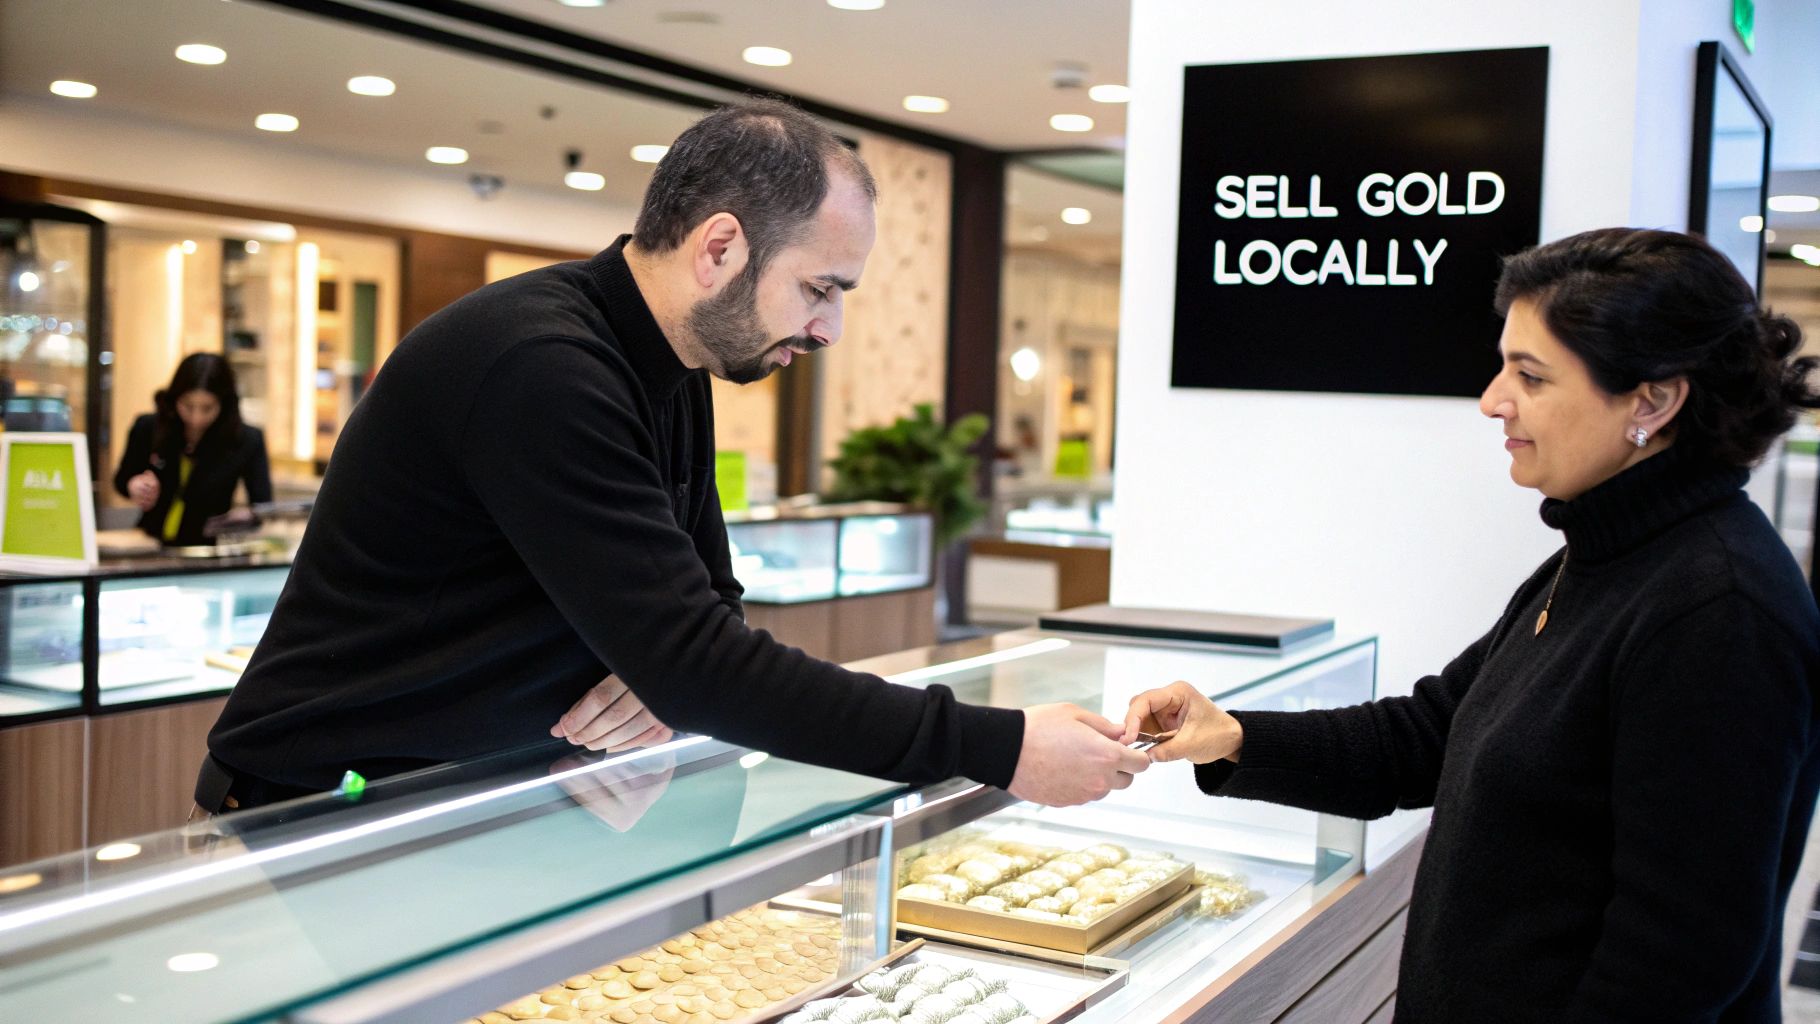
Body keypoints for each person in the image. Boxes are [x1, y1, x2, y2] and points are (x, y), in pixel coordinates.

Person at [196, 99, 1145, 814]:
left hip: (475, 793)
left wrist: (663, 680)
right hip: (326, 798)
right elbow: (700, 662)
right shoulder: (541, 366)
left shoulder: (673, 365)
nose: (831, 328)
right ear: (720, 248)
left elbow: (707, 612)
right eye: (820, 288)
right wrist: (998, 746)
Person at [1125, 228, 1820, 1022]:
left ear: (1654, 400)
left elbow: (1677, 962)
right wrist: (1235, 737)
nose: (1493, 399)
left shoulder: (1719, 612)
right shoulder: (1599, 553)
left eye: (1529, 375)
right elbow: (1431, 733)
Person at [114, 352, 272, 547]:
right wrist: (134, 485)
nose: (196, 418)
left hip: (208, 552)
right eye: (188, 406)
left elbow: (263, 505)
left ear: (224, 404)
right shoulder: (149, 427)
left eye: (207, 408)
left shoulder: (247, 440)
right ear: (175, 398)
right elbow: (121, 480)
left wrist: (245, 516)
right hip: (149, 544)